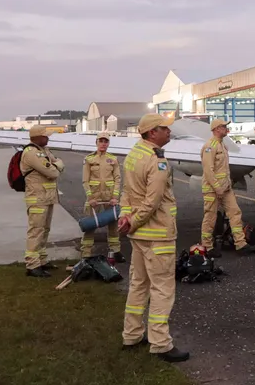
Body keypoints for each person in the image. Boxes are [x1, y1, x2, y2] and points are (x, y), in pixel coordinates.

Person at [116, 113, 189, 363]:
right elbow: (153, 200)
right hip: (157, 234)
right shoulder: (157, 161)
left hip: (139, 237)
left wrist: (126, 217)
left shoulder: (133, 155)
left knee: (138, 285)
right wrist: (134, 220)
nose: (168, 132)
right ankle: (160, 343)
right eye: (163, 129)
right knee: (162, 289)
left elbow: (126, 193)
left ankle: (132, 334)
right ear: (151, 133)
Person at [200, 118, 255, 258]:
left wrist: (226, 185)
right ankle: (207, 247)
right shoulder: (210, 146)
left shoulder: (223, 145)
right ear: (216, 129)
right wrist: (217, 188)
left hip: (225, 188)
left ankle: (241, 244)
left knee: (235, 213)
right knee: (210, 217)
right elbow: (208, 171)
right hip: (212, 189)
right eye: (223, 126)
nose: (226, 128)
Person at [20, 124, 66, 278]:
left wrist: (56, 165)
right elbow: (52, 171)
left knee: (45, 230)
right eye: (45, 136)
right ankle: (32, 265)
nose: (48, 138)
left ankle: (41, 260)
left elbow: (59, 163)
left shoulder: (43, 151)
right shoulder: (31, 153)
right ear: (37, 137)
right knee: (36, 231)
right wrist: (55, 165)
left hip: (47, 197)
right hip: (37, 199)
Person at [81, 131, 124, 264]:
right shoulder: (89, 159)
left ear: (108, 143)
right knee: (90, 226)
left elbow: (117, 179)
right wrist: (90, 198)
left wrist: (115, 197)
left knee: (113, 225)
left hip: (109, 198)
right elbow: (85, 181)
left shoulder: (113, 159)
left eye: (106, 141)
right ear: (96, 142)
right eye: (101, 141)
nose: (103, 144)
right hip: (94, 199)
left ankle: (115, 251)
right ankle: (86, 253)